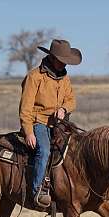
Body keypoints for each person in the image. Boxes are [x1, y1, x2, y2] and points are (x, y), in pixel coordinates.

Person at [19, 39, 82, 207]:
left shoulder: (64, 78)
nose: (64, 64)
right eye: (62, 61)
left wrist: (63, 108)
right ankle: (38, 190)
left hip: (59, 122)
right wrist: (29, 132)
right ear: (53, 58)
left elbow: (71, 100)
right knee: (44, 151)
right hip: (38, 122)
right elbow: (25, 108)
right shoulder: (34, 77)